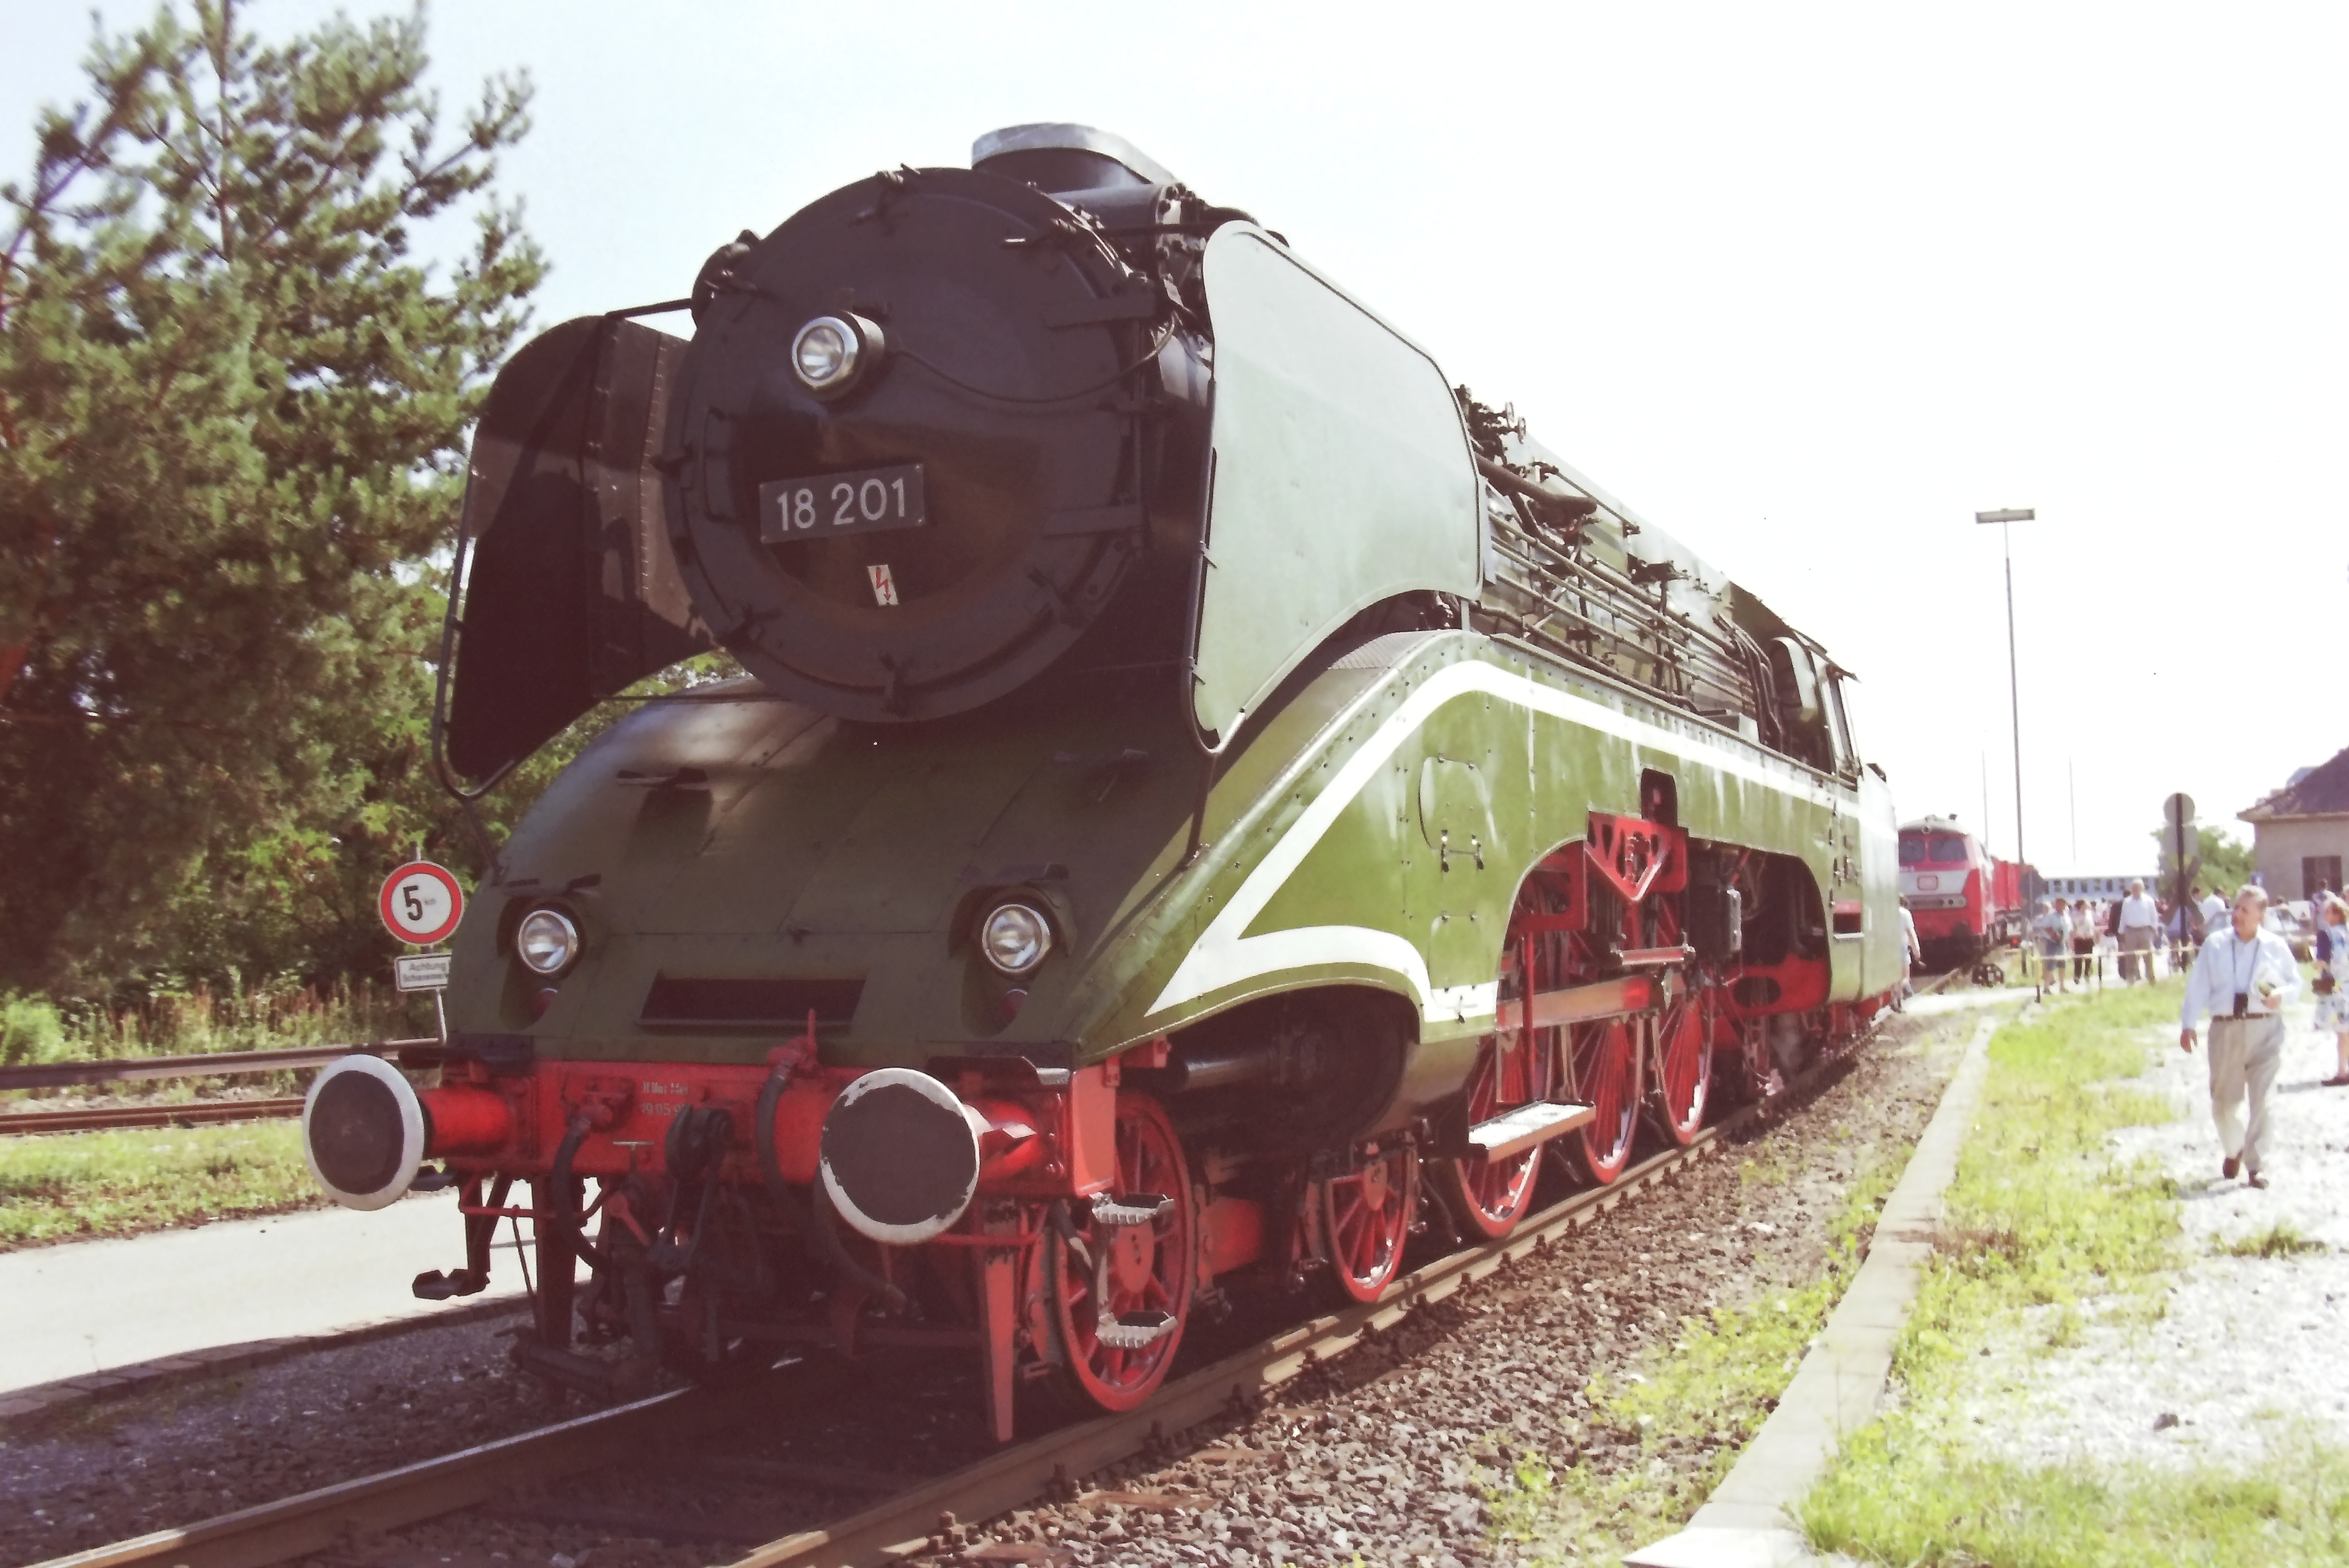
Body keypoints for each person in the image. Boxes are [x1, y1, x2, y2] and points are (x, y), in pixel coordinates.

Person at [2180, 884, 2302, 1187]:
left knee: (2263, 1099)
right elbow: (2198, 985)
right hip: (2226, 1029)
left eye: (2245, 910)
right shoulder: (2215, 945)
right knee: (2224, 1103)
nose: (2237, 914)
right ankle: (2234, 1148)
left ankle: (2257, 1165)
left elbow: (2296, 984)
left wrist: (2282, 996)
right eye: (2236, 908)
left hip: (2266, 1028)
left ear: (2262, 915)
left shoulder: (2275, 946)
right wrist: (2188, 1024)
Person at [2317, 893, 2349, 1087]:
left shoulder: (2326, 934)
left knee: (2342, 1031)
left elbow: (2322, 962)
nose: (2324, 914)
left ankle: (2342, 1072)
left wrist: (2315, 964)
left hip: (2335, 986)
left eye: (2327, 911)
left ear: (2336, 914)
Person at [2117, 878, 2161, 983]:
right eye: (2134, 888)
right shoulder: (2127, 902)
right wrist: (2121, 933)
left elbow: (2154, 916)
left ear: (2142, 888)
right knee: (2130, 957)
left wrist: (2155, 930)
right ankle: (2131, 981)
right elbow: (2123, 918)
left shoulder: (2149, 901)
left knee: (2148, 956)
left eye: (2137, 887)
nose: (2135, 889)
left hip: (2145, 930)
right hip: (2131, 931)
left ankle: (2151, 979)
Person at [2036, 897, 2071, 991]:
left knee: (2062, 965)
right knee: (2050, 966)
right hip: (2052, 943)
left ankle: (2062, 987)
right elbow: (2044, 927)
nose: (2061, 906)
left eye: (2063, 904)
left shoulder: (2066, 916)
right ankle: (2046, 987)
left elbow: (2069, 930)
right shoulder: (2051, 916)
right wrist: (2054, 934)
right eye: (2059, 903)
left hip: (2062, 943)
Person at [2069, 895, 2099, 983]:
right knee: (2078, 959)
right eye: (2085, 904)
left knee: (2089, 958)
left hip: (2089, 939)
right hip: (2079, 939)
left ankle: (2087, 974)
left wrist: (2095, 937)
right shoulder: (2075, 915)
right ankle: (2077, 976)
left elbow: (2093, 926)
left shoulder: (2090, 914)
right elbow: (2073, 927)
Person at [1898, 899, 1922, 1006]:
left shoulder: (1885, 911)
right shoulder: (1905, 913)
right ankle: (1897, 994)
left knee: (1894, 978)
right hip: (1901, 948)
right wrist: (1917, 950)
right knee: (1905, 978)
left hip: (1887, 949)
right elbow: (1911, 933)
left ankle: (1898, 1001)